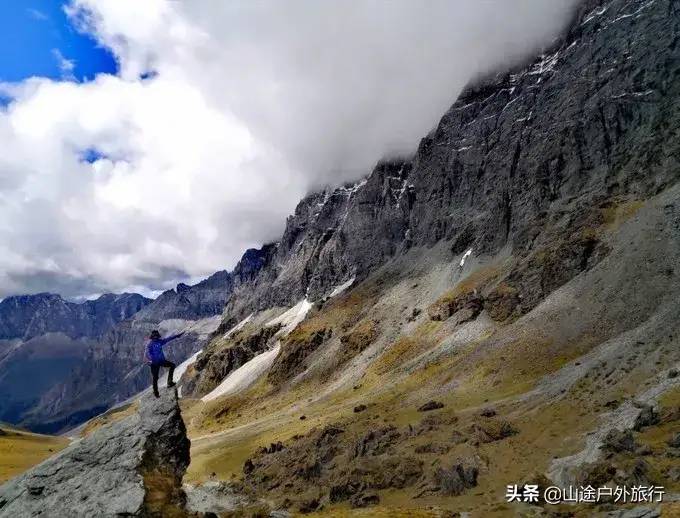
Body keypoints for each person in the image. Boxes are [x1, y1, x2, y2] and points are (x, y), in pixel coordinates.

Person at [144, 330, 185, 397]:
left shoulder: (150, 344)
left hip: (155, 363)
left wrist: (149, 360)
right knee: (171, 366)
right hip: (159, 361)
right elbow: (169, 339)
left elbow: (147, 354)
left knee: (155, 377)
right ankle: (169, 382)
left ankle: (156, 393)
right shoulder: (159, 342)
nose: (156, 337)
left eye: (156, 336)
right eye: (155, 336)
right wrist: (177, 336)